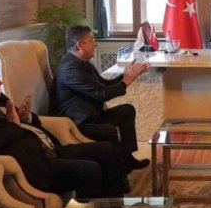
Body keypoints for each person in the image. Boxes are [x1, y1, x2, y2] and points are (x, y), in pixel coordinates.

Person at [0, 65, 132, 201]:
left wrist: (24, 116)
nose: (0, 82)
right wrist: (14, 124)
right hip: (34, 165)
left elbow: (18, 121)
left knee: (108, 149)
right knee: (90, 169)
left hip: (50, 149)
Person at [51, 25, 151, 171]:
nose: (96, 44)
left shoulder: (83, 63)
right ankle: (118, 171)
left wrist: (126, 76)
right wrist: (126, 82)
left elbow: (103, 85)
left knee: (127, 110)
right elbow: (102, 94)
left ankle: (127, 158)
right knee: (108, 131)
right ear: (80, 45)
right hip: (77, 123)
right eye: (91, 40)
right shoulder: (70, 69)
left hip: (91, 116)